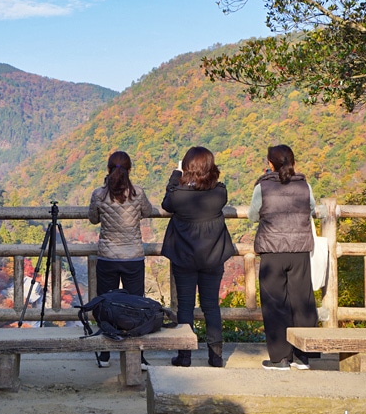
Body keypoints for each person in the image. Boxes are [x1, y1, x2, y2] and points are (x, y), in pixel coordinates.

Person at [161, 146, 234, 367]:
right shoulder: (219, 194)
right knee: (211, 305)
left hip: (184, 257)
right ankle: (216, 356)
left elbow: (167, 202)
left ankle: (184, 356)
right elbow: (216, 185)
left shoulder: (178, 197)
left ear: (186, 169)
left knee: (185, 306)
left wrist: (176, 174)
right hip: (213, 257)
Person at [249, 144, 318, 370]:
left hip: (272, 251)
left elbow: (252, 216)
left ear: (270, 164)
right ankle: (303, 356)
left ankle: (280, 358)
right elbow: (312, 210)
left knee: (275, 304)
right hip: (299, 250)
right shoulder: (304, 185)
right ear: (293, 162)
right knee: (302, 301)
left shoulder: (263, 187)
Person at [88, 151, 153, 368]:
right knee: (136, 305)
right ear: (130, 170)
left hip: (107, 256)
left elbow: (93, 219)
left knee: (106, 302)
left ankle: (105, 353)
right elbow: (148, 211)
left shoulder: (98, 194)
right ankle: (138, 355)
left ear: (108, 170)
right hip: (133, 256)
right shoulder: (139, 193)